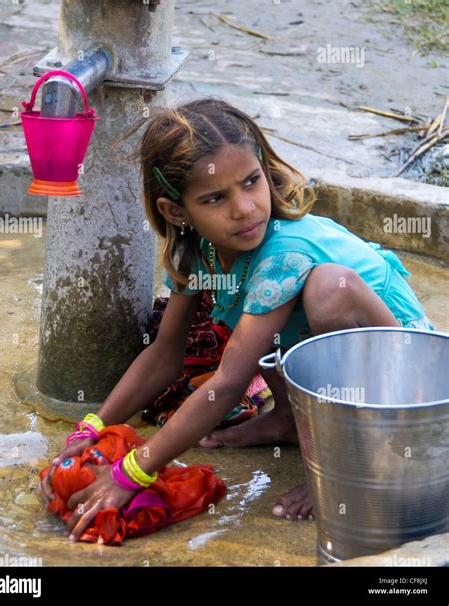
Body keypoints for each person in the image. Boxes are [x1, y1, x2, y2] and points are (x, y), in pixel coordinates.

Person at [40, 97, 434, 542]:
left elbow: (228, 383)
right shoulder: (197, 250)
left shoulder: (283, 254)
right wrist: (94, 428)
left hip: (404, 376)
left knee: (325, 291)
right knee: (263, 326)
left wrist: (133, 472)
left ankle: (352, 466)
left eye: (251, 181)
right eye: (215, 198)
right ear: (176, 212)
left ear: (265, 169)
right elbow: (163, 356)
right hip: (327, 358)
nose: (245, 208)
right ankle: (288, 420)